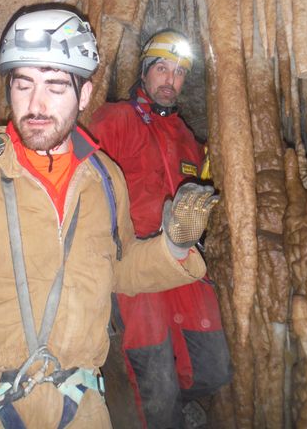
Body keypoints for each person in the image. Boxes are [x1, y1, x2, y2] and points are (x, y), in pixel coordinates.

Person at [0, 8, 219, 429]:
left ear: (84, 96)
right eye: (23, 84)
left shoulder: (105, 180)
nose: (36, 104)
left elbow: (119, 269)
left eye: (55, 86)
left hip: (80, 406)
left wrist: (174, 246)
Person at [89, 30, 232, 429]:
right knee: (153, 375)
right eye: (162, 69)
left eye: (179, 72)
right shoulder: (116, 119)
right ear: (145, 72)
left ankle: (175, 409)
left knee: (213, 368)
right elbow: (83, 177)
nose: (171, 79)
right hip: (136, 260)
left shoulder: (186, 136)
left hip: (182, 256)